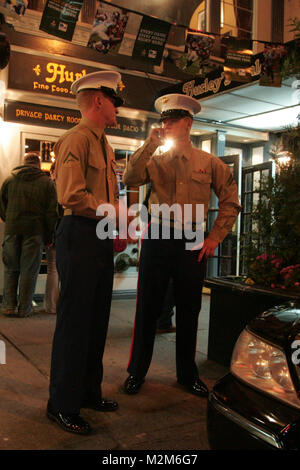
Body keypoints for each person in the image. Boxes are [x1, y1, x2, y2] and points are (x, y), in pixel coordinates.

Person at [122, 93, 241, 397]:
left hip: (193, 239)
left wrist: (215, 236)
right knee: (147, 307)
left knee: (190, 308)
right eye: (164, 120)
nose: (166, 125)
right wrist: (150, 143)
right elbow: (130, 177)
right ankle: (136, 371)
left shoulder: (209, 162)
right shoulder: (155, 157)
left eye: (172, 120)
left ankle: (187, 375)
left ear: (187, 123)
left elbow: (231, 200)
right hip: (158, 234)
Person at [47, 70, 125, 436]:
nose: (117, 108)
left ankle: (88, 392)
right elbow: (71, 196)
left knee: (97, 319)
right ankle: (61, 404)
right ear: (99, 100)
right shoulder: (76, 140)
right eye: (114, 101)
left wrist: (116, 227)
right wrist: (115, 213)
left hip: (99, 233)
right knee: (75, 323)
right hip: (78, 232)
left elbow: (105, 198)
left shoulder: (105, 144)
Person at [0, 153, 57, 318]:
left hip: (12, 229)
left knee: (11, 269)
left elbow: (1, 205)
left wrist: (9, 219)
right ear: (39, 165)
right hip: (35, 231)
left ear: (23, 163)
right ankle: (24, 308)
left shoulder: (10, 180)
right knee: (29, 271)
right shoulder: (47, 183)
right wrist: (49, 235)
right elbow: (51, 213)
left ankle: (9, 306)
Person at [44, 162, 61, 314]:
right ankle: (58, 304)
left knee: (53, 269)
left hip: (54, 232)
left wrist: (48, 235)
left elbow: (50, 214)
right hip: (67, 232)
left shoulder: (51, 187)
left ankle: (51, 306)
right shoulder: (69, 185)